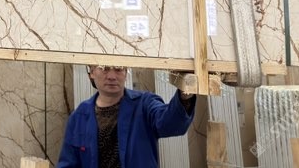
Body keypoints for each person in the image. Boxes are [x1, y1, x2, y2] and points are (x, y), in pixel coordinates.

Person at [57, 65, 196, 168]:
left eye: (118, 68)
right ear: (91, 72)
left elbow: (170, 123)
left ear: (126, 72)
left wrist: (185, 95)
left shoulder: (144, 104)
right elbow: (68, 163)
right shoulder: (79, 117)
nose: (112, 76)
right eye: (104, 68)